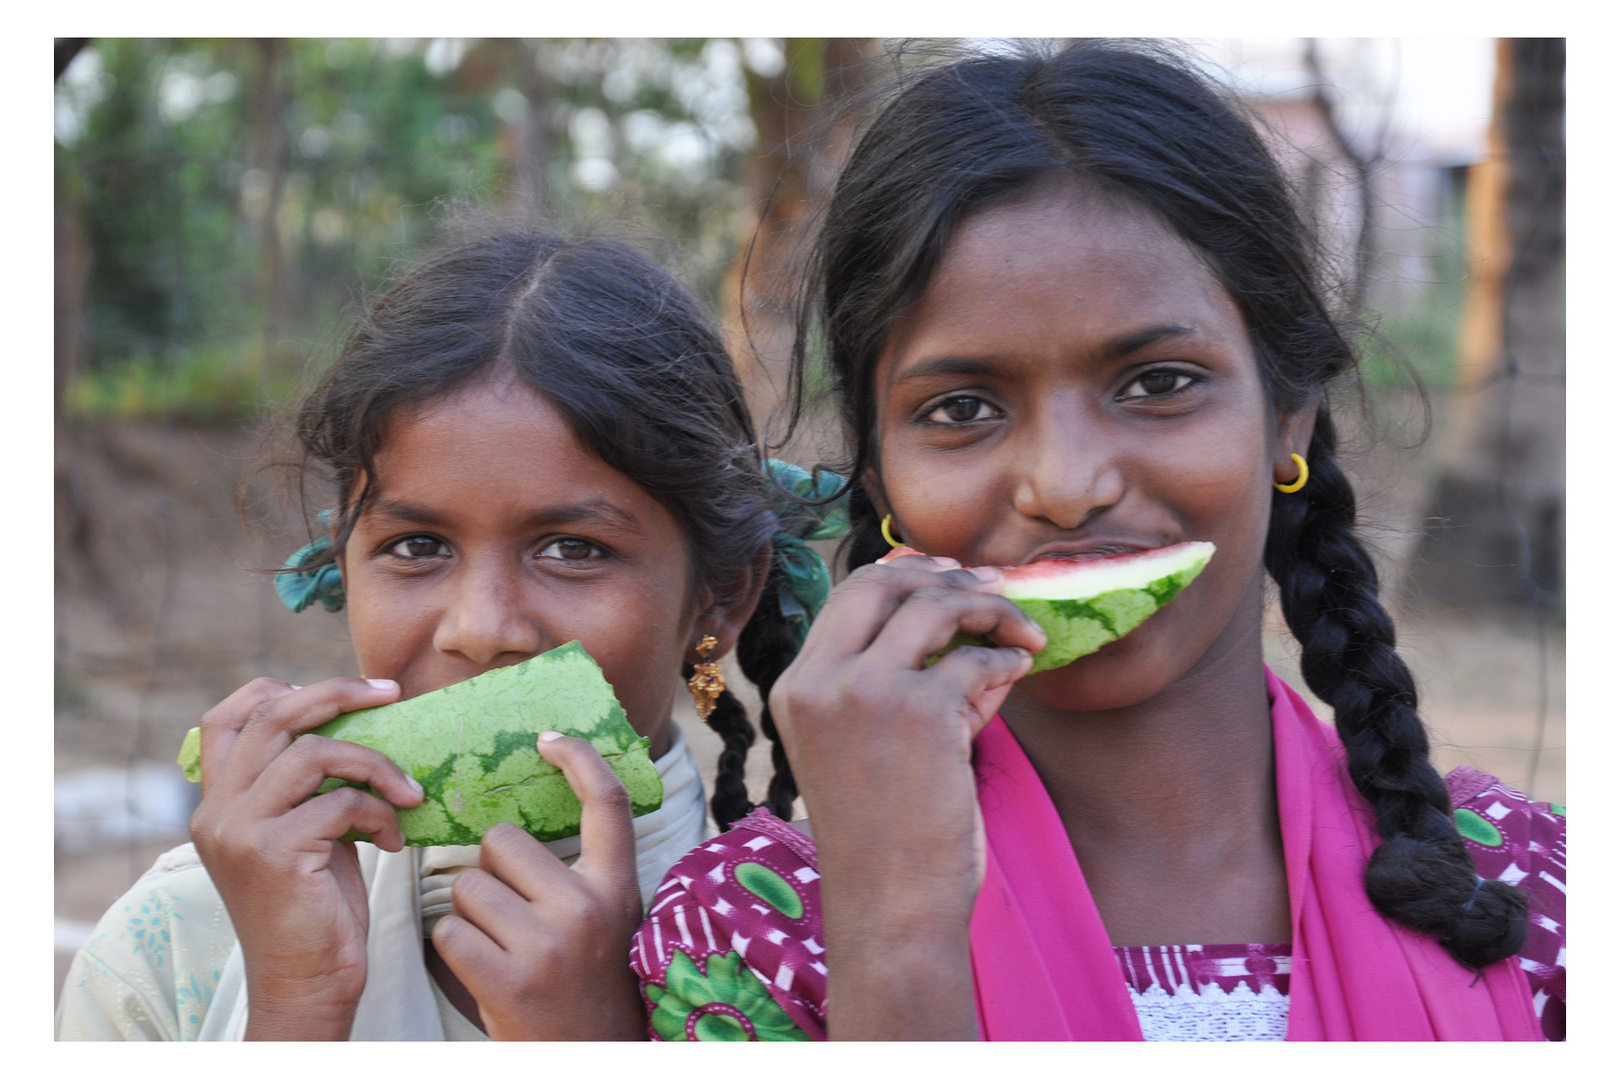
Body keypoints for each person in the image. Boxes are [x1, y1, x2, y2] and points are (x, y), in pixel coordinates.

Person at [630, 41, 1566, 1041]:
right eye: (961, 408)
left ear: (1290, 415)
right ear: (880, 477)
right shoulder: (751, 934)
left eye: (1159, 383)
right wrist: (898, 924)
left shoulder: (1533, 896)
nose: (1066, 487)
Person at [56, 224, 817, 1040]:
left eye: (574, 549)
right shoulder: (174, 946)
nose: (482, 629)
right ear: (343, 568)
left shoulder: (812, 958)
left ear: (721, 595)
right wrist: (300, 997)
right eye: (416, 547)